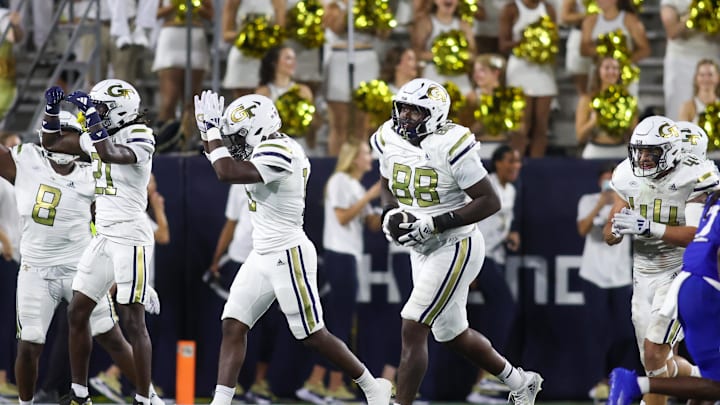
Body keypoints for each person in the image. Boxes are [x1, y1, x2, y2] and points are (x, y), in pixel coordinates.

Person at [192, 90, 392, 405]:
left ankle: (371, 385)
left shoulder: (281, 150)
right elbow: (224, 161)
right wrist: (208, 132)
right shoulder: (266, 147)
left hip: (288, 252)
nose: (236, 143)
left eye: (239, 136)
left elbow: (225, 171)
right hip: (261, 253)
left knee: (312, 334)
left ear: (258, 128)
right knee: (232, 324)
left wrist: (213, 134)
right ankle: (221, 401)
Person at [370, 78, 542, 405]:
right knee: (451, 334)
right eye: (402, 108)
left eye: (416, 111)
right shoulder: (388, 137)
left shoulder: (451, 144)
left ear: (435, 115)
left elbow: (489, 200)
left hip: (455, 244)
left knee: (413, 324)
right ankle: (520, 382)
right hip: (420, 248)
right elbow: (387, 176)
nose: (405, 116)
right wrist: (390, 211)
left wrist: (435, 223)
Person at [0, 106, 155, 405]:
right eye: (59, 135)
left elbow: (120, 225)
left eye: (70, 136)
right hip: (36, 268)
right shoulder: (26, 160)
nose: (64, 141)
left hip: (78, 265)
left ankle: (149, 397)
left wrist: (132, 273)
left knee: (111, 335)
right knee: (29, 345)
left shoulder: (94, 173)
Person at [603, 116, 720, 405]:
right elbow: (608, 233)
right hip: (643, 274)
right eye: (640, 151)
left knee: (655, 353)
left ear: (671, 151)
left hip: (679, 271)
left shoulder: (694, 176)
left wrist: (648, 227)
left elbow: (696, 236)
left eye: (652, 152)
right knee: (654, 359)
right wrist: (616, 229)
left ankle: (647, 396)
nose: (643, 159)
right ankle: (702, 383)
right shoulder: (626, 174)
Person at [59, 79, 159, 405]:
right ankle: (80, 393)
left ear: (120, 111)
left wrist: (93, 120)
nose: (95, 114)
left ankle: (144, 398)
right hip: (103, 235)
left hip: (130, 235)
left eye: (101, 108)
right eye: (95, 107)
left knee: (132, 318)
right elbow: (55, 142)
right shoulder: (98, 134)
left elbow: (109, 152)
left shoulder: (141, 135)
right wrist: (51, 112)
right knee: (77, 312)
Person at [295, 141, 381, 404]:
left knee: (340, 323)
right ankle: (331, 386)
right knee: (340, 324)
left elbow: (372, 225)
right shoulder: (340, 181)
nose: (370, 158)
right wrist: (371, 196)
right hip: (339, 258)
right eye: (366, 153)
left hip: (349, 258)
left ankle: (317, 383)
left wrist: (386, 204)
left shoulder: (355, 185)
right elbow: (343, 217)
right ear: (354, 157)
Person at [90, 173, 170, 404]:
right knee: (135, 335)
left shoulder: (141, 215)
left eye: (154, 182)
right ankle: (118, 380)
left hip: (141, 286)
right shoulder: (131, 215)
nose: (152, 187)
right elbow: (163, 235)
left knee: (138, 336)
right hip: (130, 285)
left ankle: (131, 384)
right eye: (149, 182)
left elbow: (162, 236)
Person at [206, 185, 281, 404]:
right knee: (236, 324)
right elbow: (231, 223)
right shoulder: (239, 183)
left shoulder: (281, 173)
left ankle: (259, 382)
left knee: (270, 325)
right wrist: (217, 258)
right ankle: (232, 385)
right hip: (240, 259)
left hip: (270, 257)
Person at [466, 145, 523, 404]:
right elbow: (467, 222)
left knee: (499, 314)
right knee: (505, 308)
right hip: (480, 257)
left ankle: (484, 381)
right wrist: (469, 266)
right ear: (497, 163)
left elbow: (499, 226)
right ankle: (485, 379)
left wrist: (511, 236)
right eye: (510, 160)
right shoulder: (484, 184)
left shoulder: (511, 190)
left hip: (496, 257)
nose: (515, 166)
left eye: (518, 162)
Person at [576, 163, 636, 402]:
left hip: (620, 276)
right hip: (593, 275)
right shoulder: (588, 200)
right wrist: (601, 204)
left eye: (612, 181)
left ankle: (615, 379)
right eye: (605, 181)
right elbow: (583, 229)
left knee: (624, 332)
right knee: (598, 333)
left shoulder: (629, 203)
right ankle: (600, 383)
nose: (609, 186)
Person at [499, 0, 557, 157]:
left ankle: (536, 165)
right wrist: (527, 43)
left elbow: (554, 40)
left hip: (542, 69)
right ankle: (516, 163)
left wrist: (542, 47)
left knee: (541, 125)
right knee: (521, 125)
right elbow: (503, 44)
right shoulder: (511, 8)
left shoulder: (548, 9)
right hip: (519, 69)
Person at [153, 0, 213, 151]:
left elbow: (210, 15)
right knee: (169, 98)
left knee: (193, 97)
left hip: (195, 35)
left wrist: (195, 5)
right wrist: (175, 5)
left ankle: (192, 139)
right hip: (171, 35)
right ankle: (166, 141)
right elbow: (154, 13)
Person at [660, 0, 720, 121]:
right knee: (676, 110)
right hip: (681, 59)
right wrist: (696, 12)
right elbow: (672, 32)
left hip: (712, 56)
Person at [579, 0, 650, 97]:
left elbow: (645, 49)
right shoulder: (590, 21)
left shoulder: (630, 19)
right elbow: (584, 49)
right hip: (599, 76)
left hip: (624, 75)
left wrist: (621, 62)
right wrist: (606, 51)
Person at [575, 56, 637, 159]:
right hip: (595, 152)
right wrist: (594, 121)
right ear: (598, 71)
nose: (611, 72)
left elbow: (634, 135)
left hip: (621, 151)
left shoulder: (628, 99)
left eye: (615, 68)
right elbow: (580, 137)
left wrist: (627, 121)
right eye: (607, 68)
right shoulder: (587, 100)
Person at [411, 0, 476, 95]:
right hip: (433, 72)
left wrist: (458, 57)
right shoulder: (426, 22)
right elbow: (416, 53)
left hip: (458, 74)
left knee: (471, 99)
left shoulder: (464, 25)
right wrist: (442, 56)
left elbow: (473, 54)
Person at [465, 54, 523, 159]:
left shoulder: (510, 97)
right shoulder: (471, 98)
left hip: (505, 149)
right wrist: (484, 121)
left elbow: (521, 129)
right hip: (478, 150)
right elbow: (463, 130)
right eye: (475, 71)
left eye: (482, 71)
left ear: (496, 73)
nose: (476, 75)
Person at [560, 0, 591, 95]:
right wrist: (589, 15)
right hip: (580, 35)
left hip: (605, 36)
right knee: (584, 90)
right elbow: (565, 17)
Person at [678, 59, 720, 124]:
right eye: (702, 75)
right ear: (696, 78)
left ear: (718, 77)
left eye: (710, 74)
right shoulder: (687, 107)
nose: (706, 79)